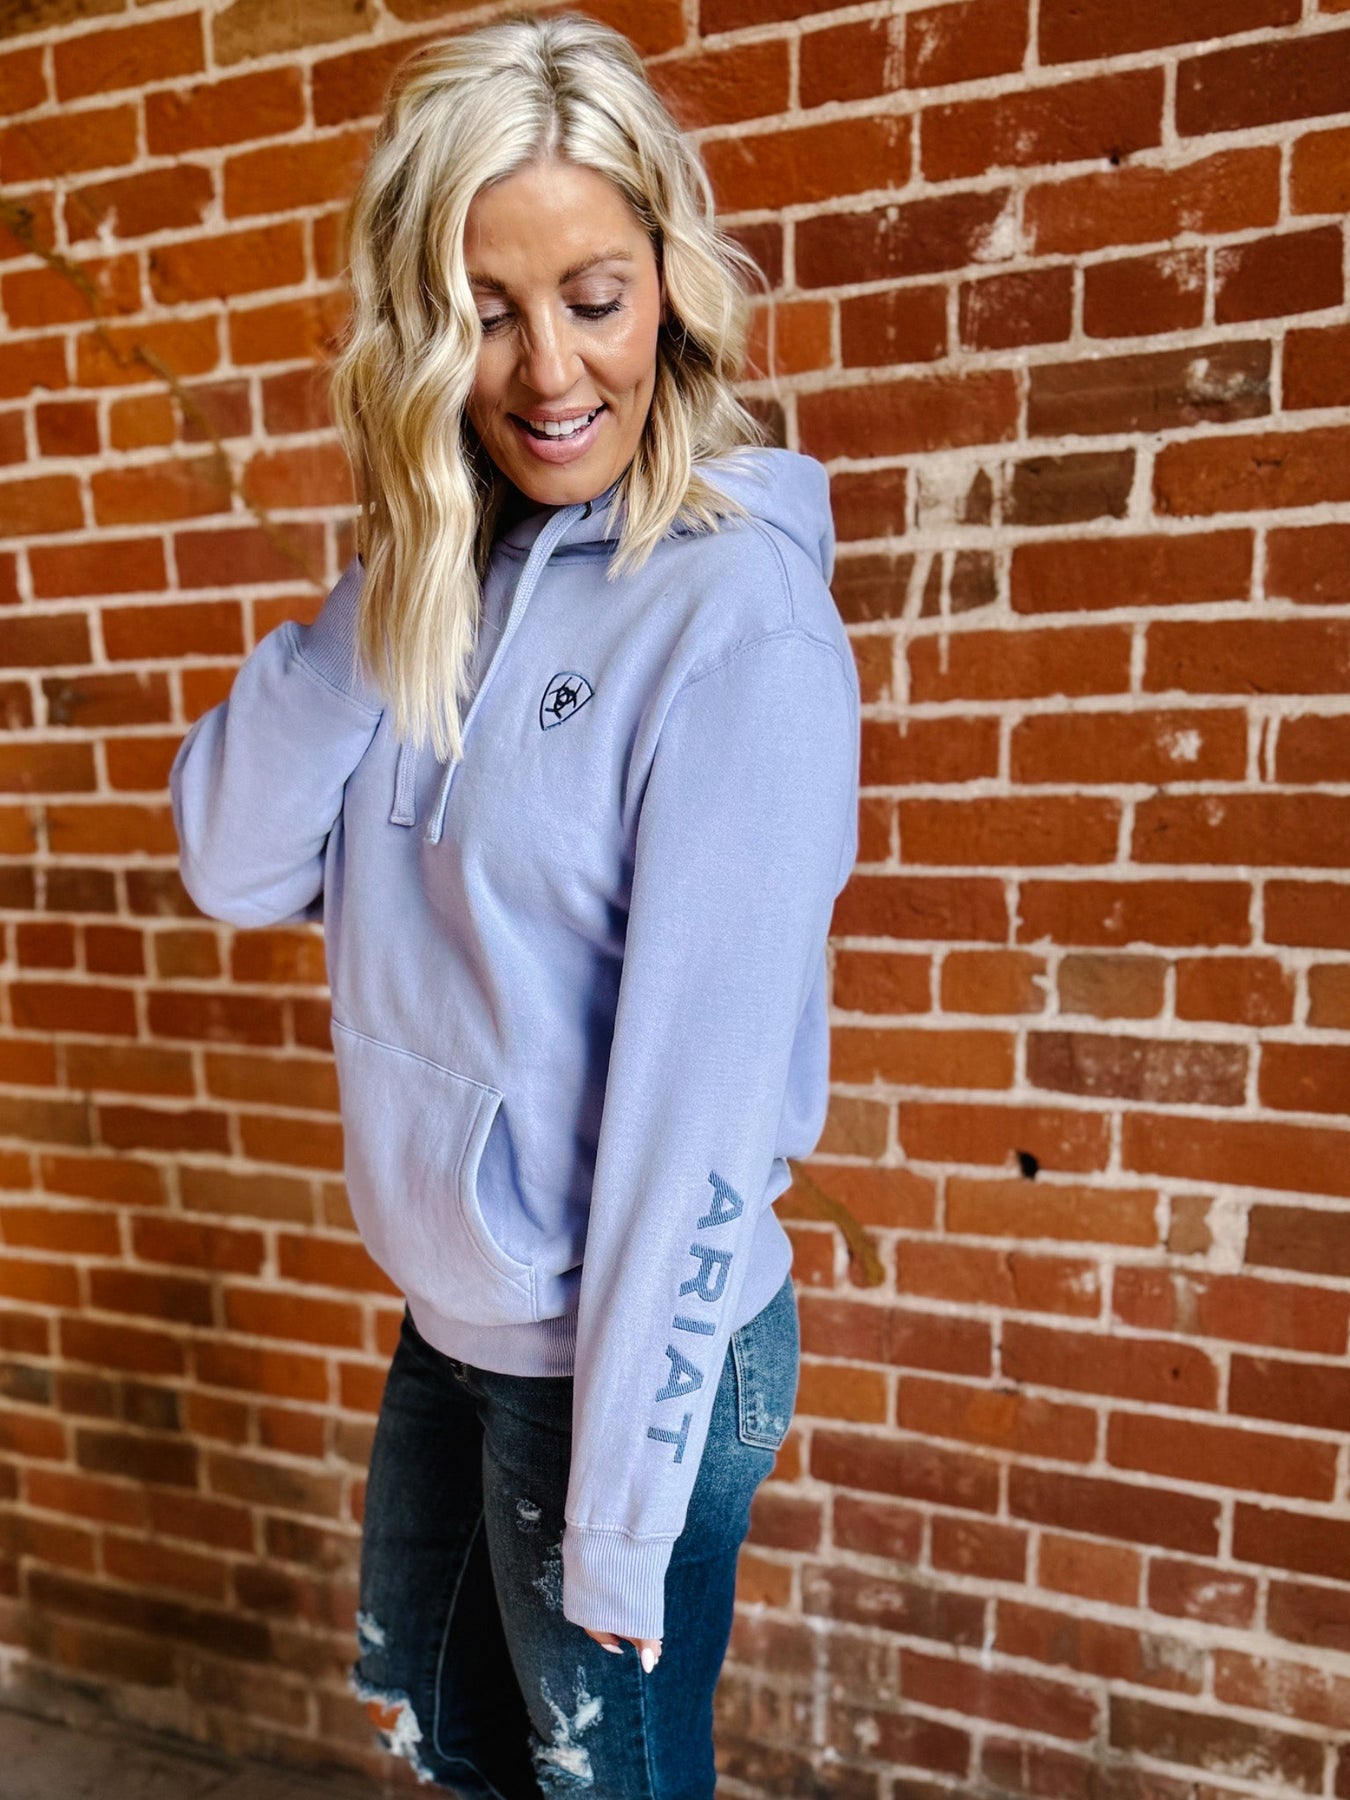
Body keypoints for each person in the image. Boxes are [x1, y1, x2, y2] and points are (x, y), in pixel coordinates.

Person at [167, 10, 860, 1797]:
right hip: (458, 1332)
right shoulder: (437, 580)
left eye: (594, 296)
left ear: (670, 286)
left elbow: (696, 1116)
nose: (550, 368)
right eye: (483, 310)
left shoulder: (737, 628)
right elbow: (233, 859)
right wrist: (403, 566)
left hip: (629, 1365)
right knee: (450, 1754)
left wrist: (618, 1518)